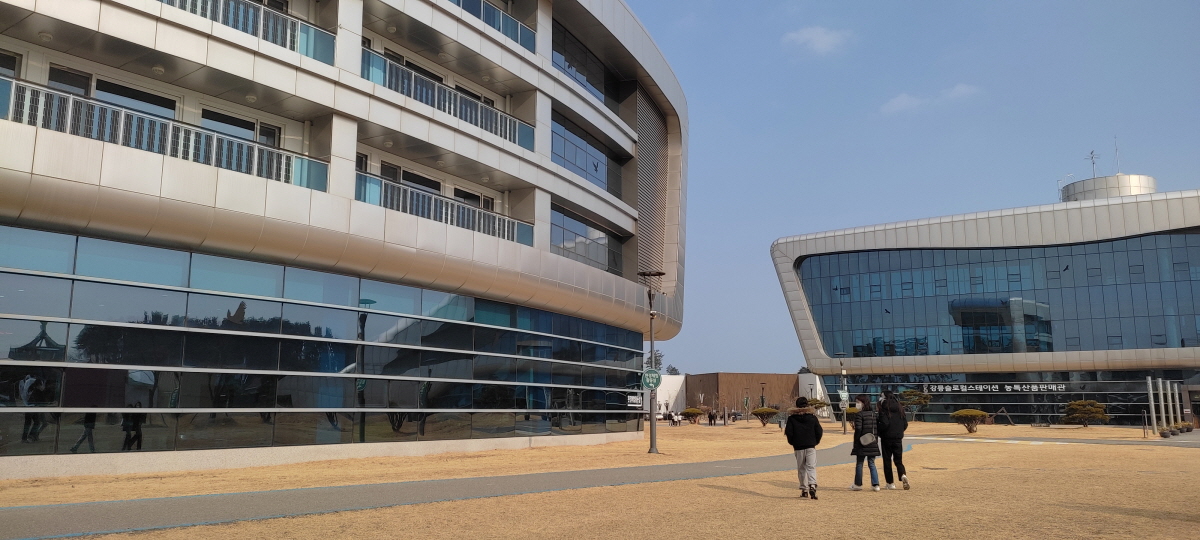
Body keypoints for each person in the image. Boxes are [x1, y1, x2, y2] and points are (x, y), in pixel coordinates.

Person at [785, 398, 823, 500]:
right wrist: (815, 441)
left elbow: (789, 432)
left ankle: (804, 489)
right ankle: (812, 485)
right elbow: (819, 431)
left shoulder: (792, 418)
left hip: (798, 447)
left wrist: (792, 442)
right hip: (811, 446)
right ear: (807, 405)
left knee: (801, 468)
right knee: (811, 467)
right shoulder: (812, 418)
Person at [849, 394, 881, 491]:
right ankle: (875, 484)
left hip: (862, 442)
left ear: (863, 403)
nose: (856, 404)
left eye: (858, 402)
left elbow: (858, 429)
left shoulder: (859, 415)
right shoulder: (873, 414)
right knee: (871, 463)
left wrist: (856, 440)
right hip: (872, 441)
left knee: (860, 463)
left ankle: (858, 484)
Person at [879, 396, 910, 490]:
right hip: (898, 439)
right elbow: (905, 424)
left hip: (886, 438)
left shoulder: (884, 410)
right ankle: (903, 475)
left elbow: (884, 423)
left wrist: (880, 432)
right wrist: (899, 432)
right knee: (898, 460)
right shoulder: (900, 409)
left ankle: (890, 483)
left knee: (887, 461)